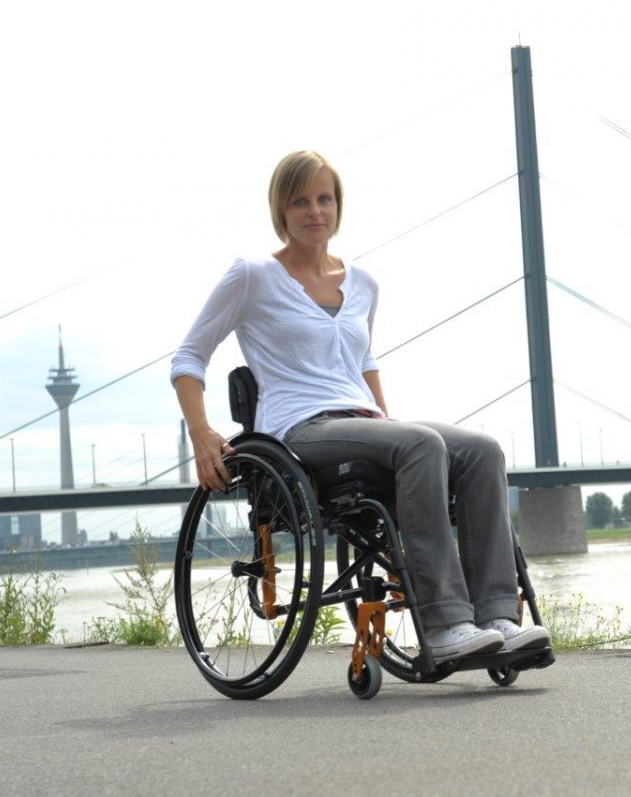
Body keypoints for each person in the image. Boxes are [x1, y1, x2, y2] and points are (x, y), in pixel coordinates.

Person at [171, 150, 549, 661]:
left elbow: (364, 362)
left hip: (363, 422)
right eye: (300, 201)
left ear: (338, 206)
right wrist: (201, 433)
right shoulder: (252, 276)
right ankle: (444, 625)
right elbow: (189, 357)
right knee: (420, 444)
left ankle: (499, 614)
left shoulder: (363, 283)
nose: (315, 211)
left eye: (324, 199)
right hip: (299, 430)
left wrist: (387, 424)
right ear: (281, 210)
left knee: (482, 450)